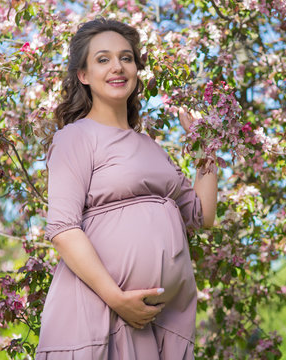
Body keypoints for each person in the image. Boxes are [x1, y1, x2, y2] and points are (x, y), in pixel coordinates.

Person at [36, 17, 218, 360]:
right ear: (83, 75)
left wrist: (205, 146)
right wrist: (118, 299)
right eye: (103, 59)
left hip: (157, 324)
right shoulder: (76, 138)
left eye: (126, 57)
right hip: (98, 316)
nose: (117, 67)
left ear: (136, 69)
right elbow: (63, 229)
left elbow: (201, 215)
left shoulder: (151, 147)